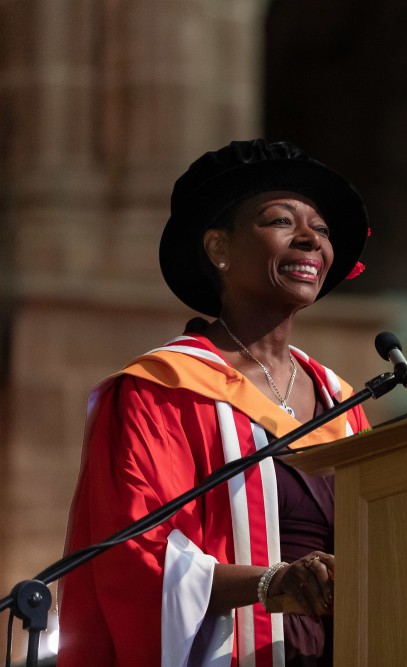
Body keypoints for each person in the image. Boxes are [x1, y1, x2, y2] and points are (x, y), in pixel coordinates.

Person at [58, 139, 372, 666]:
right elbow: (138, 559)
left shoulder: (342, 401)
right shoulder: (162, 390)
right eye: (281, 221)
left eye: (321, 230)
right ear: (218, 249)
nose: (309, 240)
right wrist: (273, 582)